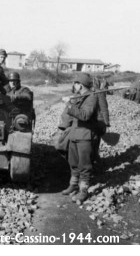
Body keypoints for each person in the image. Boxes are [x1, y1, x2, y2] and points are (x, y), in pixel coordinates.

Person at [61, 73, 98, 203]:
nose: (74, 86)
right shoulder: (79, 96)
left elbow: (85, 115)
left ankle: (83, 190)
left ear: (80, 85)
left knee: (84, 165)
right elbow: (71, 115)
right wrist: (71, 102)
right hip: (75, 134)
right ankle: (73, 185)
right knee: (73, 162)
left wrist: (70, 105)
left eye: (75, 83)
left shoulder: (91, 98)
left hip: (85, 136)